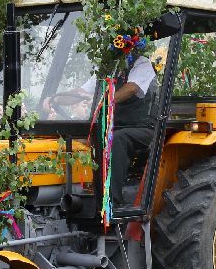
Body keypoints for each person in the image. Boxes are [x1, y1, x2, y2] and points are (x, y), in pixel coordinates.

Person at [44, 55, 158, 207]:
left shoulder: (141, 63)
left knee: (118, 138)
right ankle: (79, 189)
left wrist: (101, 99)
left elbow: (132, 88)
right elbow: (81, 92)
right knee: (79, 139)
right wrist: (56, 99)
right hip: (112, 127)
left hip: (143, 128)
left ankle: (111, 203)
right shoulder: (108, 68)